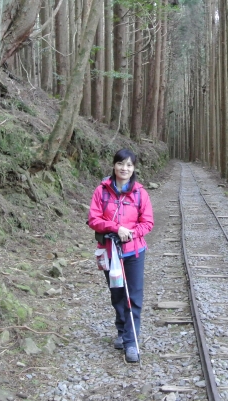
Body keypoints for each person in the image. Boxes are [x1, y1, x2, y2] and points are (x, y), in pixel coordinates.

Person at [87, 149, 154, 363]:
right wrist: (116, 228)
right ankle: (121, 330)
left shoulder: (140, 193)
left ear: (134, 169)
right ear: (114, 165)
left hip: (134, 252)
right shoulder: (101, 191)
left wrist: (131, 233)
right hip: (110, 251)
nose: (124, 168)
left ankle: (131, 342)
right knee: (117, 294)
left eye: (129, 165)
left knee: (133, 296)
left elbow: (148, 222)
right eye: (120, 164)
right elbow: (93, 219)